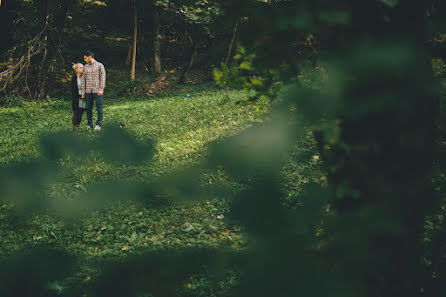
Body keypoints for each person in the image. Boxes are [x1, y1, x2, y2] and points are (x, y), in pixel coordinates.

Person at [81, 50, 106, 130]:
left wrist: (101, 89)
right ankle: (89, 124)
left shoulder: (100, 66)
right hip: (88, 91)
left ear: (90, 57)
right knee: (88, 108)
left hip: (97, 91)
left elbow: (102, 78)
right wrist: (83, 91)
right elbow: (83, 80)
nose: (84, 60)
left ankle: (99, 124)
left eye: (85, 58)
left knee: (99, 107)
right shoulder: (85, 67)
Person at [71, 63, 86, 131]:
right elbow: (73, 89)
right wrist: (77, 97)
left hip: (84, 97)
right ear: (76, 70)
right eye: (80, 68)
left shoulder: (85, 77)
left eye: (83, 67)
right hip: (76, 97)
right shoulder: (74, 78)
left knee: (81, 111)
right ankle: (75, 125)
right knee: (76, 111)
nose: (82, 69)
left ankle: (78, 125)